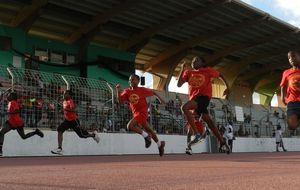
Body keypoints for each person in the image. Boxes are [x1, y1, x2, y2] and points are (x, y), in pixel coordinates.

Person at [177, 56, 231, 154]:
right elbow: (179, 84)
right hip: (194, 99)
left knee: (184, 107)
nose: (194, 61)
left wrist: (227, 87)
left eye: (197, 60)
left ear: (202, 63)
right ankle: (223, 142)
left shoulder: (207, 70)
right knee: (210, 123)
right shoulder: (188, 73)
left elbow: (220, 75)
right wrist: (182, 69)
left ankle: (197, 134)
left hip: (203, 98)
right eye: (193, 60)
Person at [116, 74, 166, 156]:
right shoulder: (127, 91)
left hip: (142, 112)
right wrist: (118, 91)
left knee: (130, 126)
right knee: (149, 129)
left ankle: (146, 137)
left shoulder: (142, 90)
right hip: (135, 113)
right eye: (130, 80)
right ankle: (160, 145)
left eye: (133, 79)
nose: (131, 81)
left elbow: (153, 92)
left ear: (138, 81)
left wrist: (161, 100)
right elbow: (120, 102)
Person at [51, 90, 100, 155]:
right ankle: (60, 148)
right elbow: (65, 110)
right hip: (67, 121)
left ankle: (93, 135)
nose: (64, 95)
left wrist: (65, 109)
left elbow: (73, 110)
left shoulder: (70, 101)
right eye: (64, 93)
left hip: (74, 121)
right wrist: (62, 111)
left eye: (66, 94)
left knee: (82, 135)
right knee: (60, 130)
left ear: (69, 95)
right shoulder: (64, 101)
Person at [0, 91, 44, 156]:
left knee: (23, 136)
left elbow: (16, 110)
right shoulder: (10, 102)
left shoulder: (13, 103)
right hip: (12, 121)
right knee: (2, 132)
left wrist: (10, 113)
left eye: (9, 95)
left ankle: (36, 132)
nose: (7, 96)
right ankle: (0, 150)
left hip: (17, 122)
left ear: (12, 97)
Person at [280, 51, 300, 131]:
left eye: (293, 56)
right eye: (289, 58)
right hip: (292, 102)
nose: (291, 59)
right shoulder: (286, 72)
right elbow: (282, 86)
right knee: (291, 126)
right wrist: (282, 98)